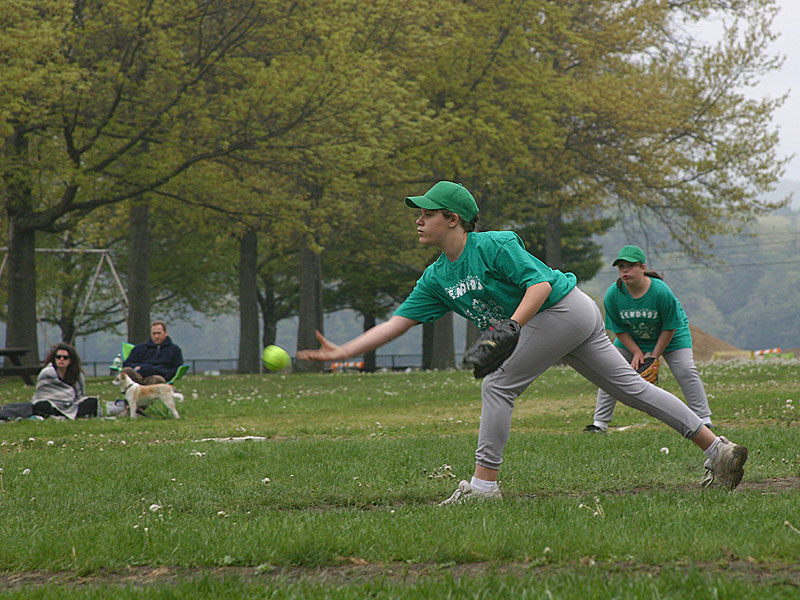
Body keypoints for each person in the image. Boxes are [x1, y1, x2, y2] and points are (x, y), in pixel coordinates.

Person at [297, 181, 748, 504]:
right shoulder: (437, 275)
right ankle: (717, 449)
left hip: (564, 309)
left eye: (427, 213)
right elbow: (397, 324)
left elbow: (540, 288)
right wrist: (343, 352)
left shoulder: (493, 245)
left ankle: (484, 487)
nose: (418, 220)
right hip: (565, 317)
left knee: (497, 385)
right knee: (630, 389)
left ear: (452, 219)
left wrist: (509, 327)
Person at [584, 245, 713, 433]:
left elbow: (670, 327)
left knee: (685, 369)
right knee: (609, 370)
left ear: (642, 268)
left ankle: (704, 419)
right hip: (632, 338)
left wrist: (654, 356)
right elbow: (618, 328)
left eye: (630, 266)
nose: (625, 270)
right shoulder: (613, 294)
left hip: (671, 336)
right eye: (621, 267)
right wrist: (636, 352)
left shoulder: (660, 292)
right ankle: (600, 424)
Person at [32, 343, 99, 419]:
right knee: (41, 405)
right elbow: (41, 395)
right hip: (51, 404)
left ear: (70, 360)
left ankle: (61, 415)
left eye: (65, 357)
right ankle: (64, 415)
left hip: (71, 405)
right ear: (54, 359)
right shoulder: (46, 373)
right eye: (58, 357)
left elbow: (80, 396)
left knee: (92, 402)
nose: (61, 359)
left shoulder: (77, 375)